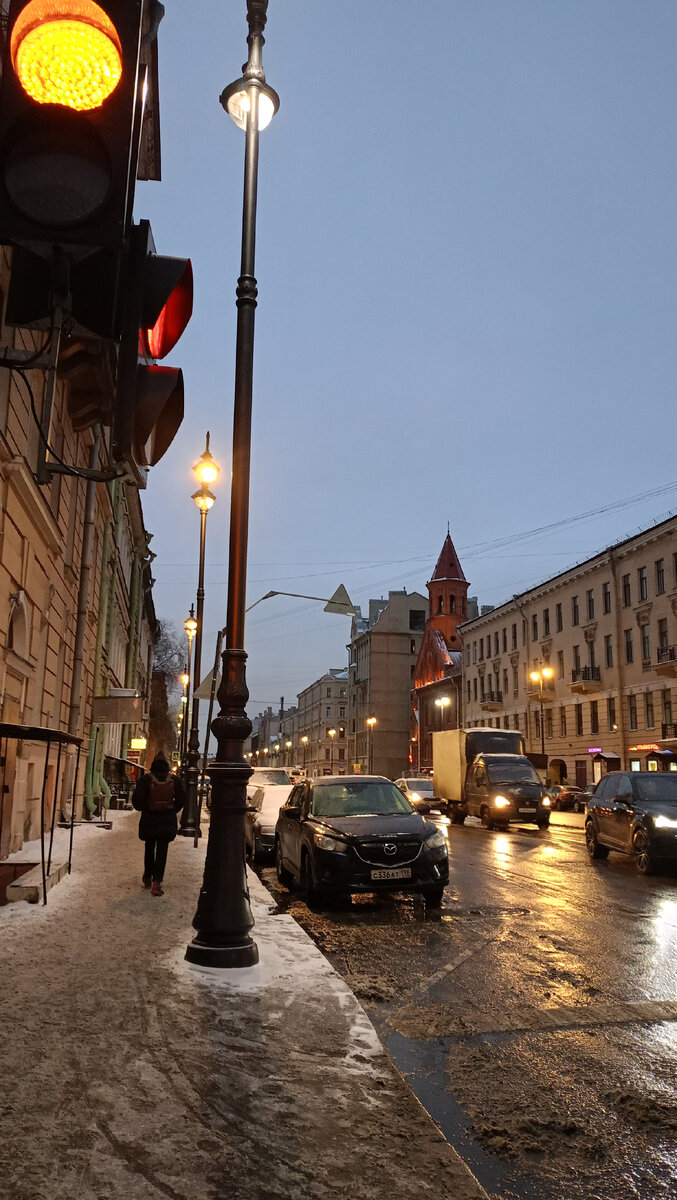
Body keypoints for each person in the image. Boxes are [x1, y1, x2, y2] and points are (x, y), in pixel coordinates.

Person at [132, 753, 186, 897]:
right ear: (167, 765)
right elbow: (181, 799)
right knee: (162, 850)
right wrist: (171, 809)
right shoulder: (174, 780)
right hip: (167, 820)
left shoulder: (145, 779)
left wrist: (148, 807)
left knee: (149, 847)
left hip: (149, 820)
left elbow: (137, 801)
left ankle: (147, 877)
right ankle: (157, 882)